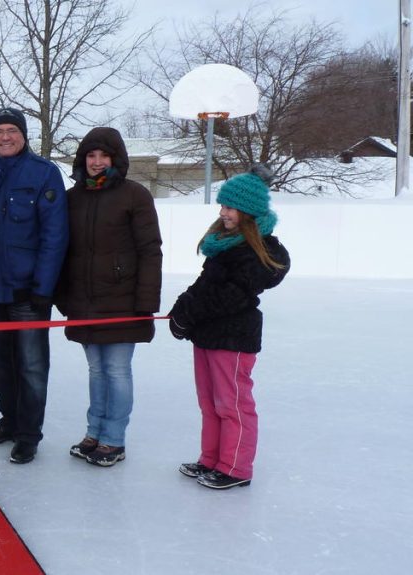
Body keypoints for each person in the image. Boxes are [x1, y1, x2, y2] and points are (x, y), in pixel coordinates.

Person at [168, 165, 290, 490]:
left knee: (232, 405)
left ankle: (235, 467)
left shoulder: (253, 253)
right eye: (222, 206)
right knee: (209, 403)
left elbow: (229, 296)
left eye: (230, 207)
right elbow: (205, 285)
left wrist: (190, 312)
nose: (223, 212)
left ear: (248, 212)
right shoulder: (224, 244)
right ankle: (211, 459)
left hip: (233, 338)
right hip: (207, 335)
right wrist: (181, 308)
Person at [56, 127, 163, 468]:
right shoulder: (73, 198)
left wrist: (146, 300)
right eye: (91, 156)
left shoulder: (135, 195)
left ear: (116, 159)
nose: (97, 162)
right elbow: (63, 250)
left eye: (104, 156)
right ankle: (94, 432)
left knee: (116, 370)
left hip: (123, 299)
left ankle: (113, 438)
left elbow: (150, 250)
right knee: (96, 371)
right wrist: (63, 294)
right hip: (85, 300)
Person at [0, 107, 69, 464]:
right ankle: (8, 421)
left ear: (24, 135)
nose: (5, 137)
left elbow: (55, 236)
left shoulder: (44, 173)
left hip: (28, 290)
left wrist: (43, 288)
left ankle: (28, 434)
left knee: (31, 365)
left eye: (12, 130)